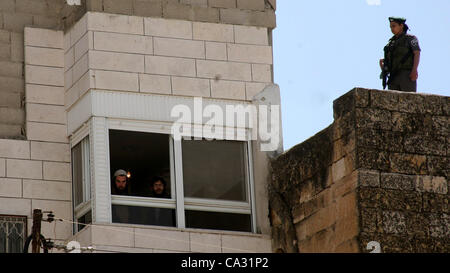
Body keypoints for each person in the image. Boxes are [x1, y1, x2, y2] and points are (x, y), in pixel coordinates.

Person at [379, 17, 421, 92]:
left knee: (409, 100)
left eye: (394, 26)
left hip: (406, 75)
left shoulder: (410, 39)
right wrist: (383, 66)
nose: (392, 29)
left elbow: (417, 53)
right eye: (390, 27)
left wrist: (414, 70)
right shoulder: (391, 43)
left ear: (401, 25)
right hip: (393, 77)